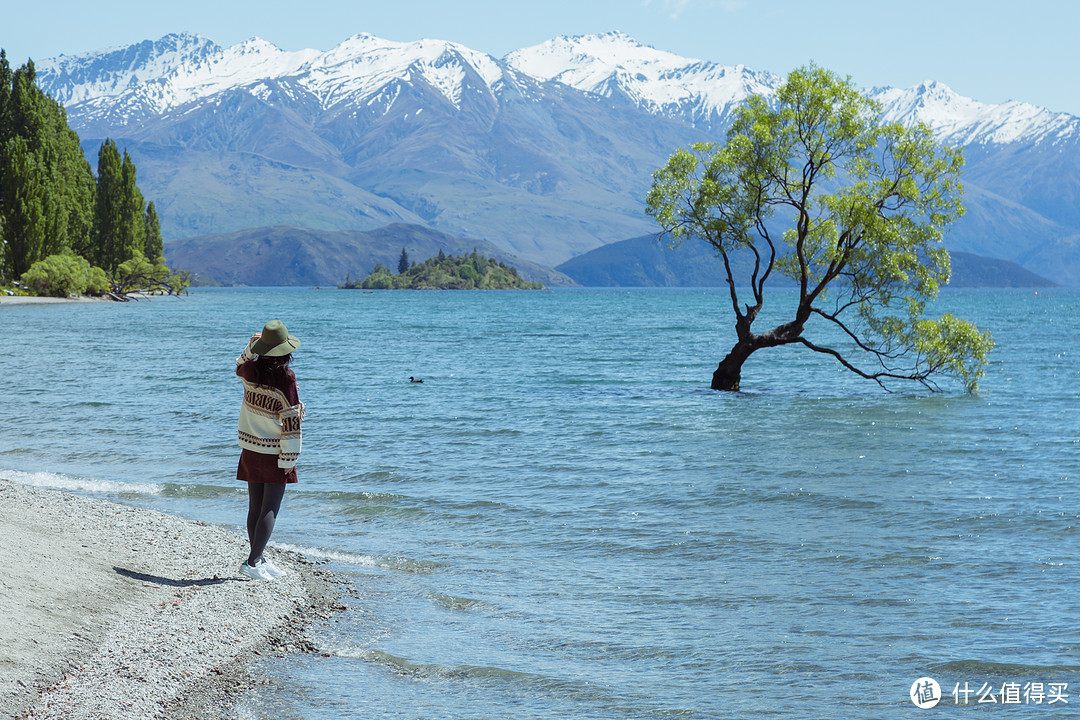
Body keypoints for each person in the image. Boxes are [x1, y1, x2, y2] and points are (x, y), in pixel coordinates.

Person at [235, 320, 305, 581]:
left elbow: (238, 363)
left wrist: (250, 346)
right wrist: (290, 456)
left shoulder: (249, 370)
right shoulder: (286, 376)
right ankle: (252, 563)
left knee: (255, 505)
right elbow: (290, 419)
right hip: (274, 450)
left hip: (250, 446)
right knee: (270, 508)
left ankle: (259, 558)